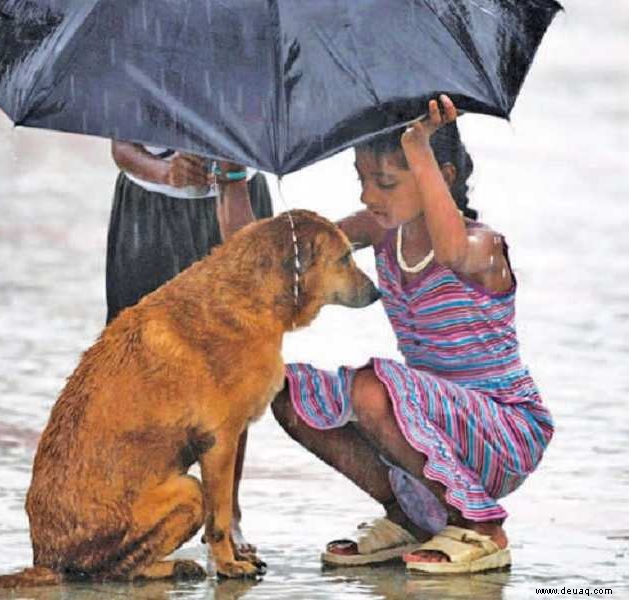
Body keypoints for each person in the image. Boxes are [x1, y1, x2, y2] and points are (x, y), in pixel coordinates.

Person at [270, 95, 554, 574]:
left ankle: (481, 526)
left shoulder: (481, 245)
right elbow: (293, 251)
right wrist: (232, 179)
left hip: (502, 430)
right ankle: (409, 516)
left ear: (439, 177)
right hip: (421, 429)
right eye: (362, 180)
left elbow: (450, 252)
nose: (368, 197)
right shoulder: (382, 231)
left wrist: (418, 144)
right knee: (281, 390)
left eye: (385, 182)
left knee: (372, 388)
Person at [108, 142, 273, 551]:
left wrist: (232, 168)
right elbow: (122, 146)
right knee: (143, 365)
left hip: (238, 196)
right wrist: (164, 172)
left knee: (234, 366)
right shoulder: (141, 74)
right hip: (150, 209)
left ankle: (226, 511)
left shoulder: (250, 76)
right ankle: (143, 507)